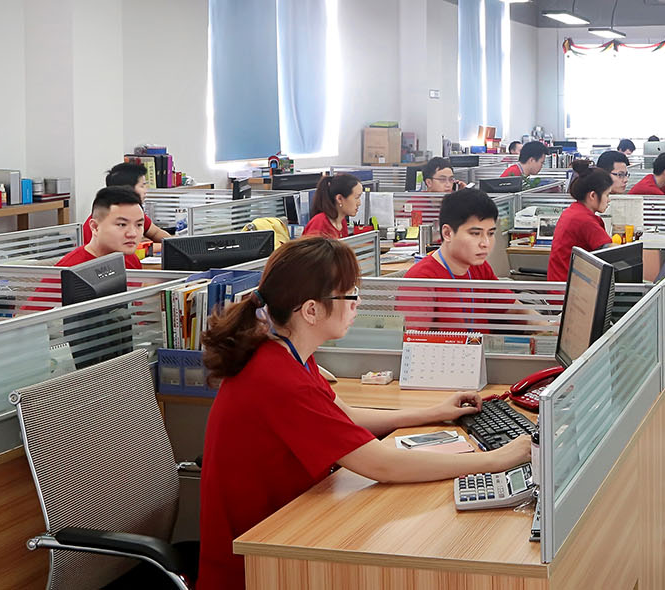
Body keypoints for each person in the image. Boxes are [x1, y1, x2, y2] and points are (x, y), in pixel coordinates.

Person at [198, 237, 531, 589]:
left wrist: (435, 412)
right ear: (311, 310)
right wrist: (496, 460)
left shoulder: (286, 352)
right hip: (258, 566)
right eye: (350, 295)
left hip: (289, 532)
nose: (357, 304)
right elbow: (381, 465)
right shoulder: (279, 378)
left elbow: (345, 418)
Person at [403, 189, 546, 328]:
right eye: (475, 234)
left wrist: (547, 326)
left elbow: (512, 308)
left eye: (490, 234)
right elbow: (414, 345)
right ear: (447, 233)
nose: (485, 243)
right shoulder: (421, 280)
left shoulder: (479, 267)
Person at [547, 161, 615, 281]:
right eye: (607, 195)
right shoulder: (584, 220)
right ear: (593, 196)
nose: (608, 200)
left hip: (562, 286)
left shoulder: (573, 211)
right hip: (570, 292)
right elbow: (613, 253)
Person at [82, 162, 170, 247]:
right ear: (127, 189)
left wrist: (174, 243)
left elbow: (156, 233)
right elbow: (130, 248)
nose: (145, 191)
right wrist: (166, 246)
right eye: (142, 186)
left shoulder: (134, 214)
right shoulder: (107, 217)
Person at [59, 187, 146, 269]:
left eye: (139, 225)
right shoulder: (68, 270)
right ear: (95, 227)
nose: (132, 234)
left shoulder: (130, 259)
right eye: (122, 225)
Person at [302, 173, 364, 239]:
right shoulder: (319, 222)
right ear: (339, 199)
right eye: (357, 197)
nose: (359, 203)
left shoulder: (342, 222)